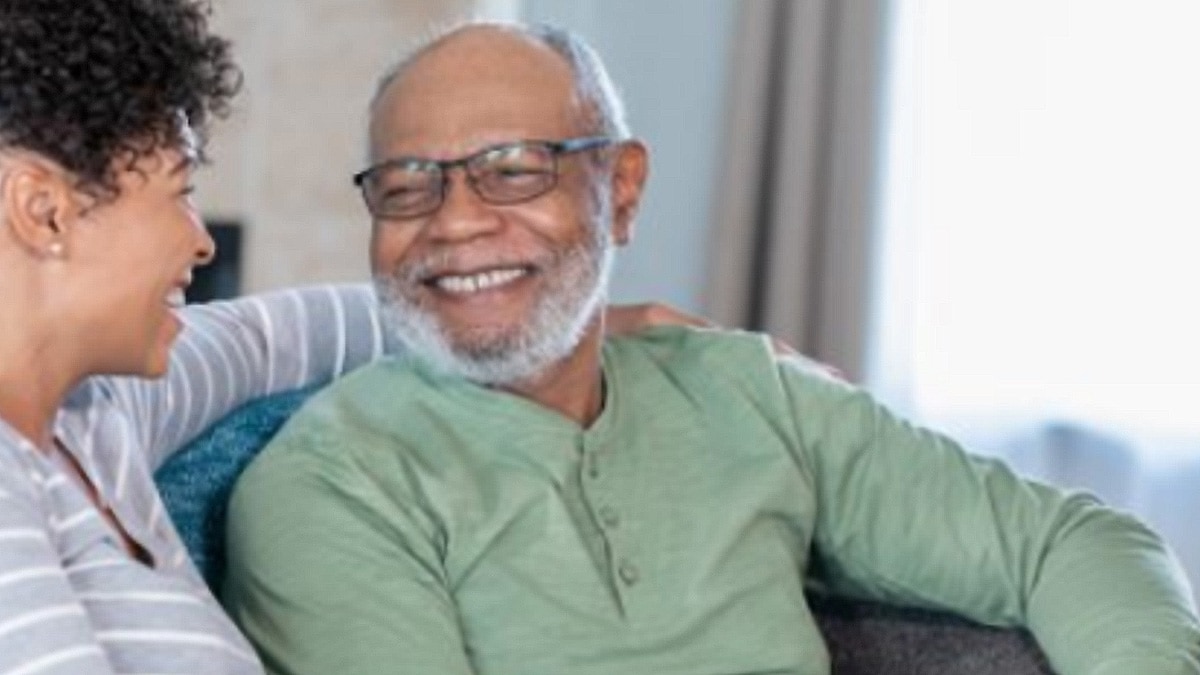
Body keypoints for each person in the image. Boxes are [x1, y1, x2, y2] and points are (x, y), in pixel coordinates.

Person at [222, 21, 1200, 675]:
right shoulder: (331, 485)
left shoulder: (748, 395)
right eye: (407, 186)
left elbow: (1072, 544)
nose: (456, 222)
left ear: (623, 190)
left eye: (513, 173)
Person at [0, 4, 701, 673]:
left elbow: (275, 337)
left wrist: (521, 303)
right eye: (181, 191)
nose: (200, 240)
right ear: (45, 212)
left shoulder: (98, 416)